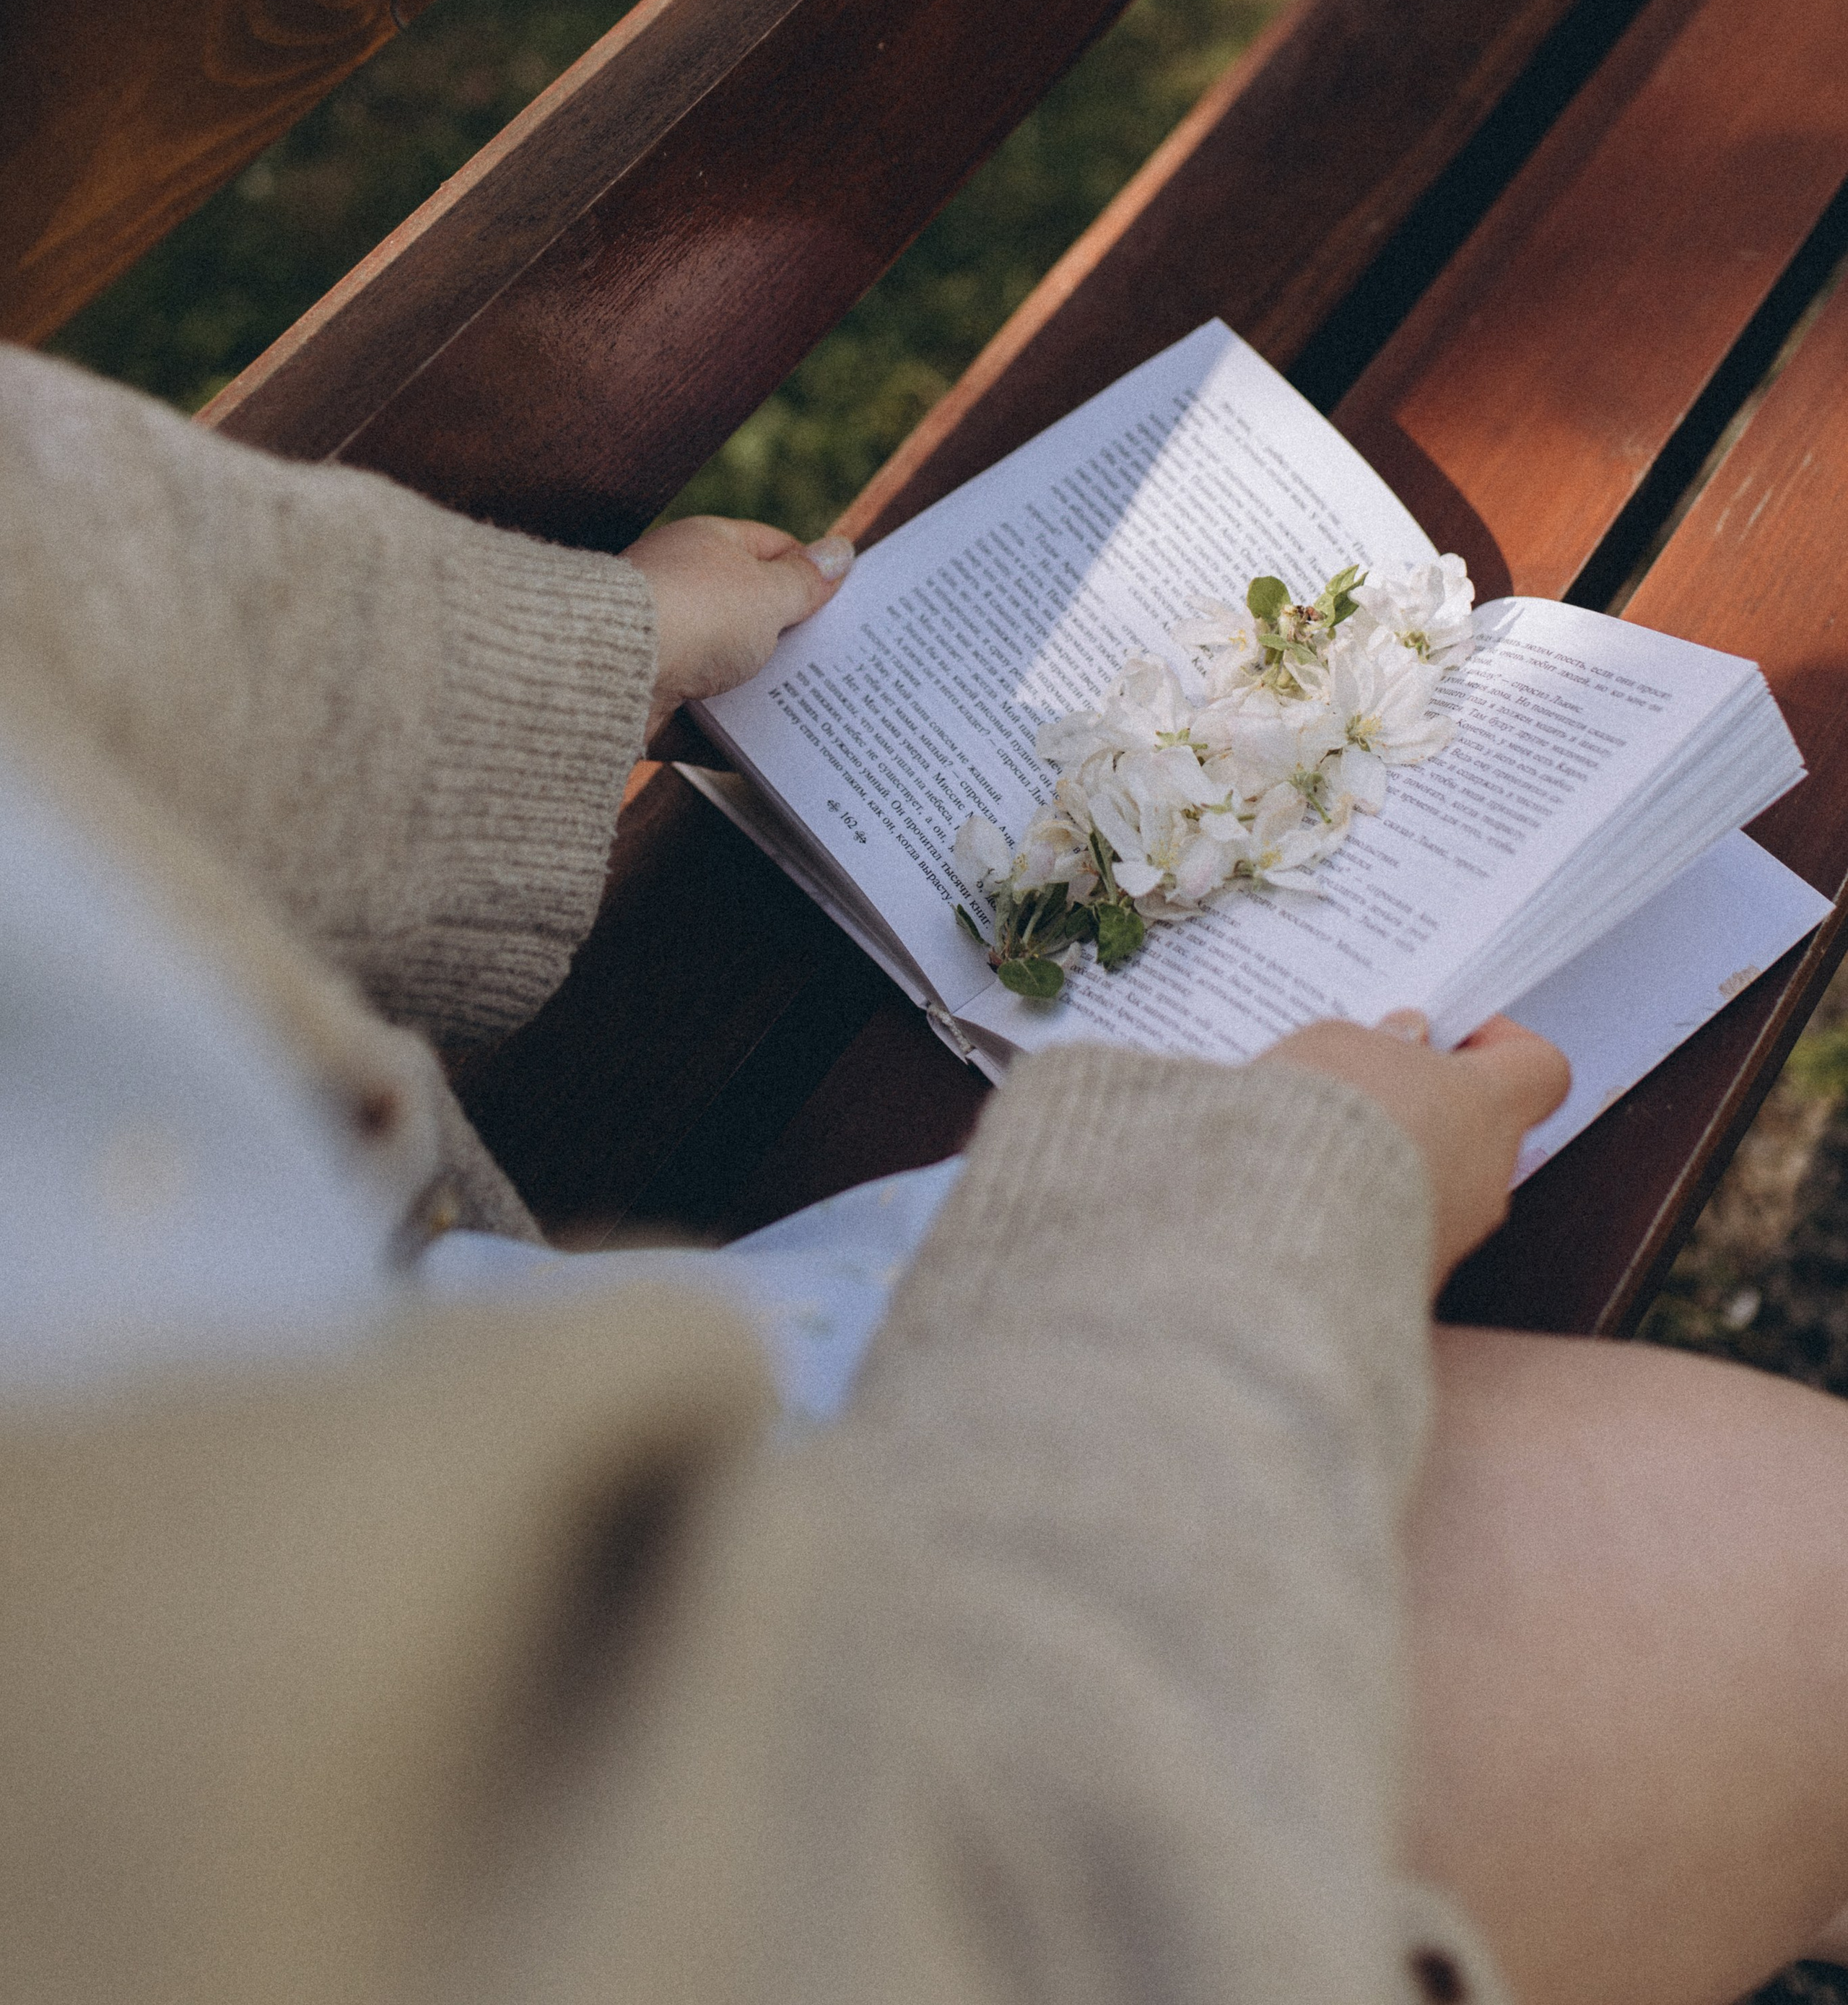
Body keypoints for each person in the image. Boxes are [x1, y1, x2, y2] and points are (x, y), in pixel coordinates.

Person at [5, 339, 1848, 2005]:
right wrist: (1289, 1196)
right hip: (827, 1718)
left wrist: (569, 654)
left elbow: (60, 578)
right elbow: (913, 1890)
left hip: (461, 1371)